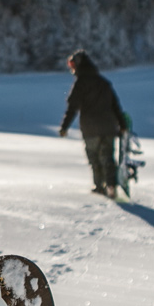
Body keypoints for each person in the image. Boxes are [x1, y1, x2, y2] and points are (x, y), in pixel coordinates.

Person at [58, 49, 130, 197]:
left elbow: (72, 107)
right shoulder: (104, 83)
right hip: (109, 127)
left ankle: (99, 186)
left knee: (94, 159)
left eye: (72, 65)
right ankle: (111, 186)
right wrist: (122, 125)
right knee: (108, 157)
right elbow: (115, 105)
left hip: (90, 128)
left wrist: (64, 127)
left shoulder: (80, 84)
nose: (72, 69)